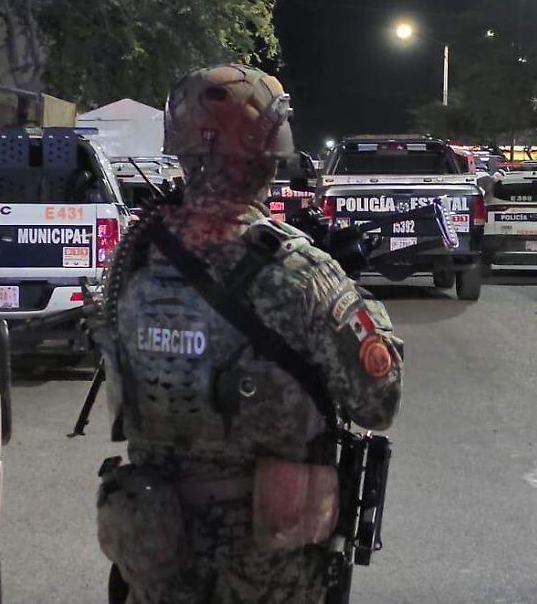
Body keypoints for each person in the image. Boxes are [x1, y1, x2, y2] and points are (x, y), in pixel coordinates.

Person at [94, 64, 403, 604]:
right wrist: (351, 293)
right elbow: (377, 402)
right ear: (269, 154)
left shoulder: (134, 255)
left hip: (156, 547)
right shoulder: (301, 272)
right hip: (268, 562)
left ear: (181, 149)